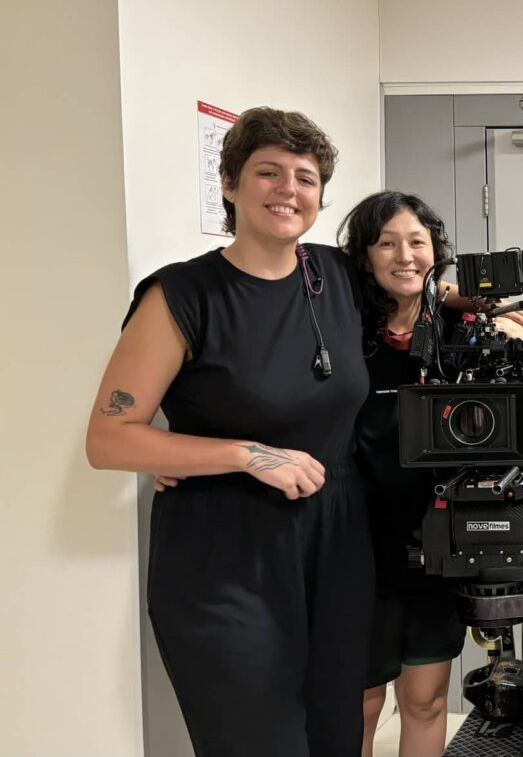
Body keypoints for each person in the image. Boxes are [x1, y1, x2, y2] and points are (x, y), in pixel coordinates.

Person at [85, 107, 372, 756]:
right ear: (229, 183)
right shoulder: (182, 295)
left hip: (334, 550)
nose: (288, 189)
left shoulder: (338, 276)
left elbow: (417, 294)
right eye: (268, 172)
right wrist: (243, 454)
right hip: (225, 561)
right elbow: (109, 439)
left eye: (305, 177)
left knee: (334, 738)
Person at [339, 191, 523, 757]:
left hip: (440, 541)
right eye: (386, 243)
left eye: (417, 242)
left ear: (435, 251)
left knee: (425, 700)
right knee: (358, 704)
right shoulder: (342, 325)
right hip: (355, 542)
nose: (404, 256)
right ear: (364, 255)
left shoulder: (464, 325)